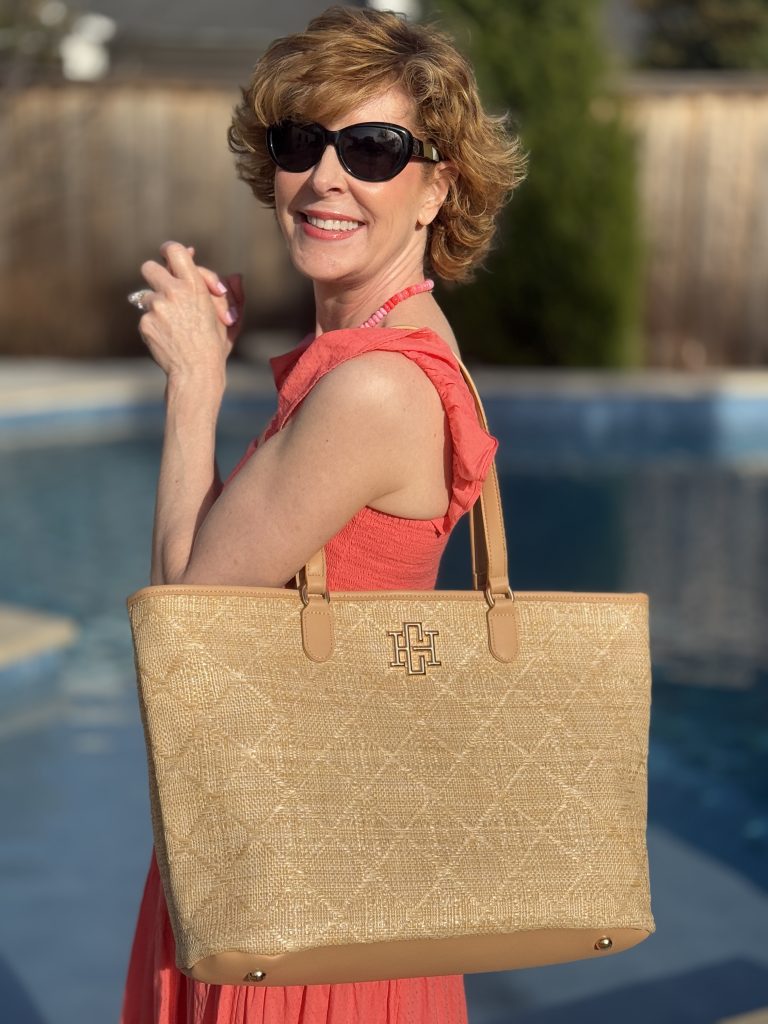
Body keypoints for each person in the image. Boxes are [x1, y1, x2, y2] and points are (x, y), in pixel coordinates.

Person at [119, 5, 526, 1022]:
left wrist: (194, 386)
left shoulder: (374, 389)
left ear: (438, 186)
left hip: (302, 886)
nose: (327, 178)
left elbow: (186, 629)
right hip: (326, 857)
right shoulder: (389, 356)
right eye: (302, 143)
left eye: (375, 149)